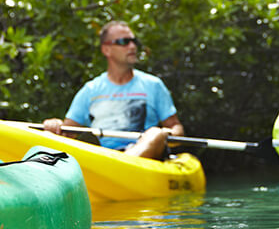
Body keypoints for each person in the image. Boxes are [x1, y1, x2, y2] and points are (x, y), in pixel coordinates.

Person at [43, 20, 183, 160]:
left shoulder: (154, 85)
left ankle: (125, 163)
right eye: (124, 42)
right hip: (102, 157)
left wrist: (166, 134)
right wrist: (55, 125)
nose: (133, 46)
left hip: (143, 160)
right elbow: (67, 133)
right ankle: (115, 166)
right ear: (106, 49)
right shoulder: (90, 90)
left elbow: (176, 128)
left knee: (155, 133)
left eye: (134, 41)